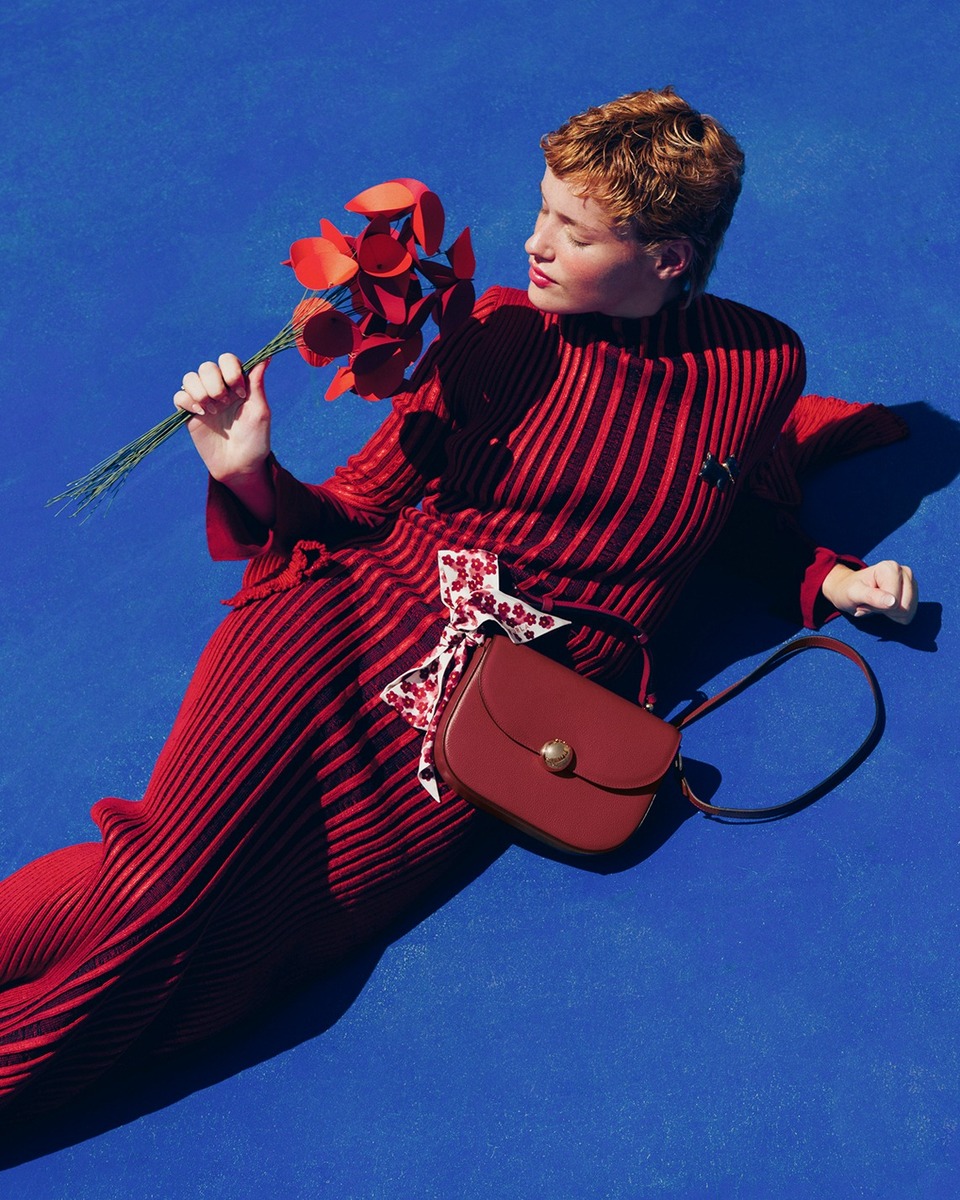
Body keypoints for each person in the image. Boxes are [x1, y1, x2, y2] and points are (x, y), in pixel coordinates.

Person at [0, 88, 916, 1120]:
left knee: (256, 951)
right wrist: (249, 472)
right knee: (163, 892)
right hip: (337, 630)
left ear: (668, 258)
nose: (532, 245)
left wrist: (821, 576)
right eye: (540, 211)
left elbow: (717, 497)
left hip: (493, 716)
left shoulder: (762, 364)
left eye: (572, 233)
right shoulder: (498, 332)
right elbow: (361, 504)